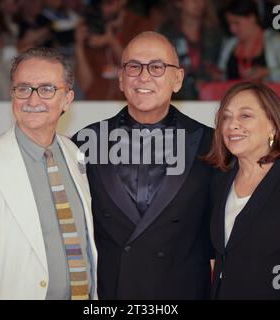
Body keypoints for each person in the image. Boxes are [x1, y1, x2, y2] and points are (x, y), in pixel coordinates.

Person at [0, 47, 97, 300]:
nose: (32, 101)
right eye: (23, 89)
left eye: (46, 89)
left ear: (67, 99)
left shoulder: (74, 154)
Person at [72, 31, 216, 299]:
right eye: (134, 66)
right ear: (121, 78)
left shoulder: (211, 145)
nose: (144, 76)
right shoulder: (83, 143)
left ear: (178, 79)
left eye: (157, 67)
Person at [204, 82, 280, 299]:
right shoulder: (219, 181)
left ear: (272, 124)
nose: (232, 125)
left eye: (245, 116)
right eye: (226, 117)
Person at [75, 0, 152, 100]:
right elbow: (84, 85)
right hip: (96, 104)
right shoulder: (92, 26)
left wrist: (111, 41)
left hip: (130, 104)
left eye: (109, 3)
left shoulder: (139, 25)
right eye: (100, 5)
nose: (104, 9)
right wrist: (78, 44)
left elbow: (140, 67)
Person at [216, 0, 280, 83]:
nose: (232, 29)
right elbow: (223, 75)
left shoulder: (276, 41)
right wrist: (218, 75)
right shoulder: (230, 44)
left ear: (252, 18)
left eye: (236, 23)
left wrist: (267, 72)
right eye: (230, 24)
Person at [160, 0, 224, 100]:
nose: (198, 3)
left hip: (211, 96)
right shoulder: (167, 34)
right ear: (178, 3)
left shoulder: (215, 33)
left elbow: (219, 69)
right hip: (176, 95)